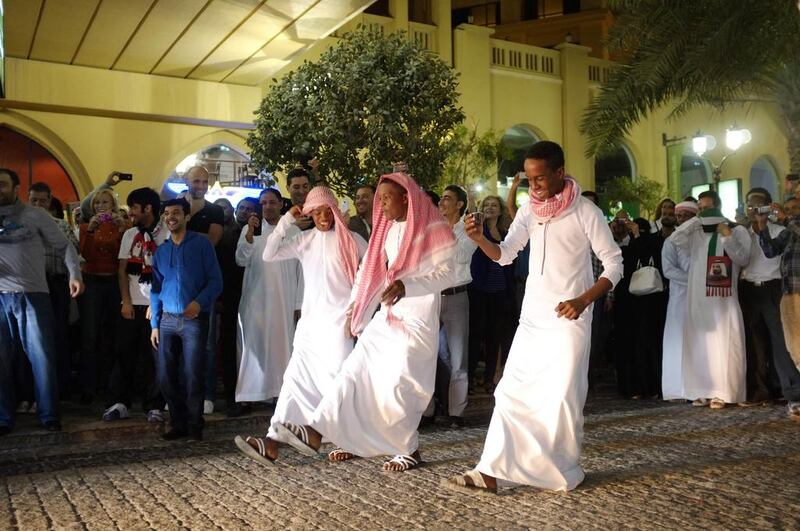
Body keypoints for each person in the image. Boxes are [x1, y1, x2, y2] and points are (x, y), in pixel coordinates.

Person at [444, 141, 622, 494]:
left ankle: (558, 468)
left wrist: (584, 300)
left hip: (571, 318)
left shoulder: (586, 211)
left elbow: (614, 264)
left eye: (540, 178)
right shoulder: (529, 211)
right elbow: (505, 255)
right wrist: (479, 238)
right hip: (532, 318)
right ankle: (492, 470)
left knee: (559, 398)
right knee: (511, 392)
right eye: (529, 180)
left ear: (559, 172)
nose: (534, 186)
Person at [274, 171, 456, 472]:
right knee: (354, 371)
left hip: (417, 320)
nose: (380, 205)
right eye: (379, 199)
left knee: (399, 385)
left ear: (406, 198)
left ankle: (408, 448)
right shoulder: (387, 231)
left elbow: (447, 275)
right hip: (387, 315)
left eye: (386, 198)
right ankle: (320, 432)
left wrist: (408, 286)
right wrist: (355, 308)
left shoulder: (435, 230)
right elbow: (370, 272)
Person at [234, 186, 367, 464]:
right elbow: (268, 254)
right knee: (293, 382)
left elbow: (368, 277)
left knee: (336, 382)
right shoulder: (304, 239)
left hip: (338, 325)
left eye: (326, 211)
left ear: (335, 211)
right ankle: (271, 442)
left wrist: (358, 314)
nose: (322, 217)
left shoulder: (353, 240)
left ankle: (342, 437)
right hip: (309, 326)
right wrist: (286, 221)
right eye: (315, 212)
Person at [0, 168, 84, 435]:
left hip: (34, 295)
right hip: (0, 297)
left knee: (43, 358)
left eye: (2, 185)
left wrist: (75, 274)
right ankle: (3, 417)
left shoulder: (35, 215)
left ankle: (49, 415)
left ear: (16, 189)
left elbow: (64, 246)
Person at [150, 198, 222, 441]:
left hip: (194, 319)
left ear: (187, 217)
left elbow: (216, 281)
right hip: (167, 321)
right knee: (165, 376)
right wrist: (154, 324)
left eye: (177, 213)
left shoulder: (201, 245)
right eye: (167, 213)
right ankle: (178, 422)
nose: (171, 217)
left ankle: (194, 424)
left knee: (193, 373)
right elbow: (155, 289)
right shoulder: (161, 251)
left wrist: (199, 302)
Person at [670, 190, 750, 409]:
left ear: (719, 206)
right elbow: (674, 240)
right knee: (699, 344)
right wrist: (696, 220)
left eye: (708, 208)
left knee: (725, 344)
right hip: (698, 298)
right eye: (701, 208)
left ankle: (724, 391)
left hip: (724, 299)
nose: (705, 212)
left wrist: (726, 235)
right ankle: (699, 390)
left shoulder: (737, 230)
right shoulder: (695, 232)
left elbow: (743, 258)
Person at [103, 187, 168, 422]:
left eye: (134, 208)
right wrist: (126, 301)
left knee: (155, 357)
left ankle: (155, 404)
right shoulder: (131, 235)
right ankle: (120, 401)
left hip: (157, 306)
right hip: (132, 304)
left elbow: (168, 274)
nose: (131, 212)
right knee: (124, 353)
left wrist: (157, 303)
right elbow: (122, 271)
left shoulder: (166, 234)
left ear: (147, 208)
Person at [234, 189, 303, 407]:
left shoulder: (292, 232)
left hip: (286, 297)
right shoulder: (250, 229)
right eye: (263, 203)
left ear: (281, 204)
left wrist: (298, 303)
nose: (267, 207)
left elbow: (302, 271)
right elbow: (240, 260)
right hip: (256, 299)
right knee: (253, 346)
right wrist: (249, 236)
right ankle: (251, 394)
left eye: (272, 202)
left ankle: (280, 393)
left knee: (283, 345)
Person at [27, 182, 80, 401]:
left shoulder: (60, 225)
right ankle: (31, 390)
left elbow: (74, 252)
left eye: (43, 200)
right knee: (31, 339)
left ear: (50, 201)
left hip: (56, 284)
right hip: (30, 285)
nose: (38, 204)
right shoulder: (21, 226)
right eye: (34, 200)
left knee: (59, 335)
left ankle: (61, 387)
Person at [78, 188, 129, 404]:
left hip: (113, 282)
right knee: (89, 335)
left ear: (113, 206)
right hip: (92, 281)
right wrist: (90, 230)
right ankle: (88, 386)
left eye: (105, 203)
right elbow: (85, 255)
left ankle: (111, 385)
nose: (101, 207)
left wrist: (121, 229)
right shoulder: (85, 226)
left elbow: (122, 256)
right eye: (97, 203)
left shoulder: (121, 226)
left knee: (112, 334)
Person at [738, 188, 787, 404]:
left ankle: (783, 387)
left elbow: (772, 252)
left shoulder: (778, 231)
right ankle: (760, 389)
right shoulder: (741, 233)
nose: (753, 209)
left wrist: (762, 226)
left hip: (772, 288)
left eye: (758, 205)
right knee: (754, 341)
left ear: (768, 206)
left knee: (779, 340)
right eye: (750, 205)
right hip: (749, 289)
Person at [183, 166, 225, 414]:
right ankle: (179, 393)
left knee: (207, 343)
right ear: (186, 181)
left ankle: (207, 394)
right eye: (195, 180)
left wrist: (183, 234)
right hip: (177, 284)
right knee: (176, 342)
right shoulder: (176, 205)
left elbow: (212, 241)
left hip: (204, 285)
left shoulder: (215, 211)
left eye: (203, 180)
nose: (199, 184)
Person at [434, 185, 477, 427]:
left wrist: (444, 231)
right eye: (441, 198)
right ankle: (429, 409)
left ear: (459, 204)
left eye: (448, 199)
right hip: (432, 296)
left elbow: (461, 256)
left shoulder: (468, 228)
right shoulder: (433, 228)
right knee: (431, 353)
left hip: (457, 296)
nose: (442, 202)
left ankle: (456, 413)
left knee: (458, 354)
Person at [755, 195, 800, 419]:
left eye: (794, 208)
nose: (790, 212)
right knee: (793, 346)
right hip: (789, 292)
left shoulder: (792, 226)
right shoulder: (789, 230)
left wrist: (785, 219)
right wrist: (762, 227)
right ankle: (796, 397)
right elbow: (771, 251)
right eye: (788, 209)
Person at [468, 195, 516, 394]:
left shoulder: (506, 233)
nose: (489, 208)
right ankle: (469, 378)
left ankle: (489, 377)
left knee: (494, 335)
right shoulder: (478, 231)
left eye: (493, 205)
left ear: (500, 209)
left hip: (500, 290)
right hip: (479, 288)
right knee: (476, 334)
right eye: (486, 205)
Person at [216, 197, 258, 416]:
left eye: (249, 209)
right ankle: (232, 392)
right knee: (230, 345)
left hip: (253, 296)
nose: (244, 212)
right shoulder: (226, 233)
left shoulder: (259, 233)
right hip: (231, 295)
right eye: (241, 208)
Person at [661, 200, 698, 401]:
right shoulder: (672, 241)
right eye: (679, 216)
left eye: (686, 216)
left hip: (701, 298)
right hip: (679, 298)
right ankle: (677, 389)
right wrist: (695, 280)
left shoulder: (703, 239)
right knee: (677, 341)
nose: (682, 219)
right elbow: (668, 270)